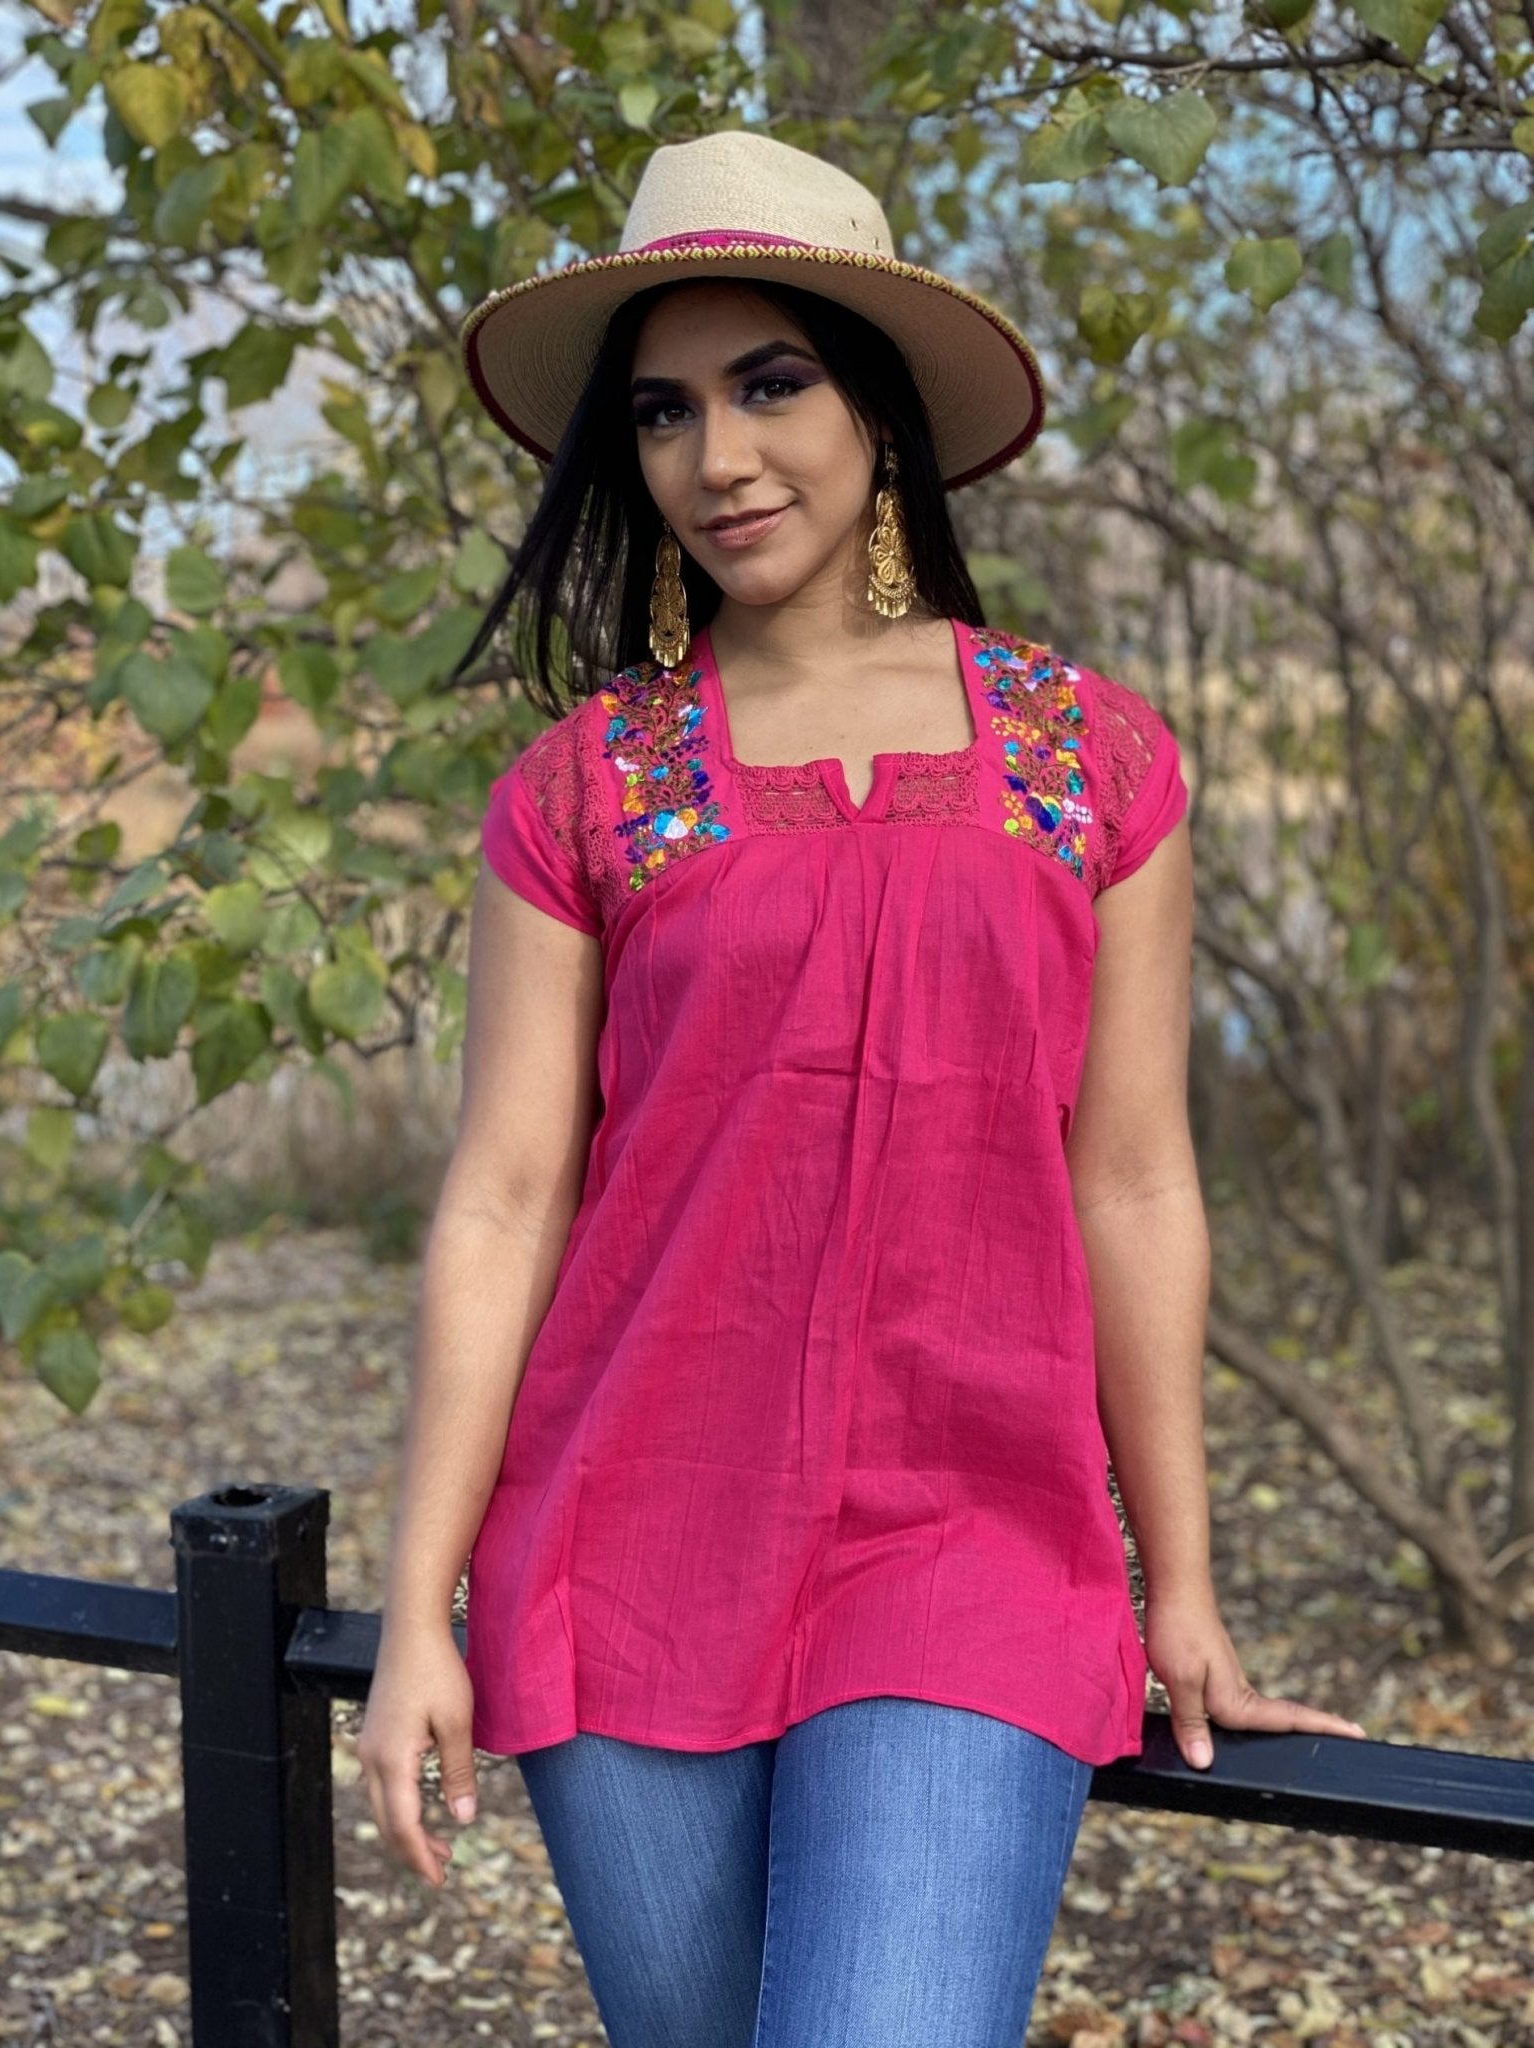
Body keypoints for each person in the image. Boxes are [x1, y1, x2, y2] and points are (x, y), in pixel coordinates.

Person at [357, 129, 1369, 2048]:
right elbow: (503, 1199)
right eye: (663, 411)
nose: (718, 457)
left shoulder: (1089, 757)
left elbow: (1136, 1181)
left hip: (974, 1544)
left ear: (880, 408)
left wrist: (1186, 1580)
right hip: (625, 1542)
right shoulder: (589, 785)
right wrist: (422, 1605)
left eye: (772, 384)